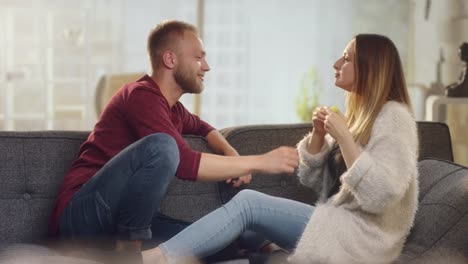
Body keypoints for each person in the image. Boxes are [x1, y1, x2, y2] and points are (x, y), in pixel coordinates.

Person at [145, 34, 419, 264]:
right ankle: (270, 253)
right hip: (338, 225)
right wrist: (318, 137)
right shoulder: (361, 118)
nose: (336, 63)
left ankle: (157, 258)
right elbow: (316, 182)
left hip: (363, 240)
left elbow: (381, 194)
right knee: (247, 233)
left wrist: (345, 138)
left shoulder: (394, 117)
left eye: (346, 59)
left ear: (370, 68)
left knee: (248, 204)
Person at [48, 19, 299, 260]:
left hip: (116, 227)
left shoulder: (174, 110)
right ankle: (128, 253)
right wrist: (259, 162)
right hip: (80, 219)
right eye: (198, 57)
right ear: (170, 59)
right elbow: (185, 163)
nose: (207, 66)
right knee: (163, 146)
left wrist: (231, 152)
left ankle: (273, 253)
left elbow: (203, 127)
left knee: (213, 241)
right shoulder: (140, 96)